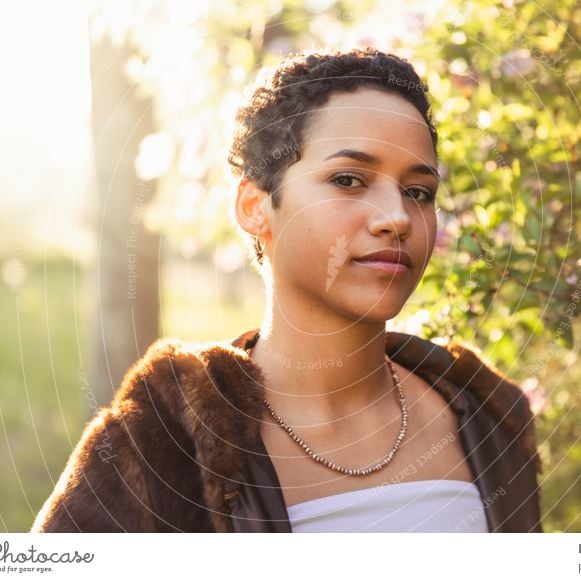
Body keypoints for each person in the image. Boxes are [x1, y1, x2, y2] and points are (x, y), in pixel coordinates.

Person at [31, 47, 543, 533]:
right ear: (255, 207)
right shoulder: (157, 445)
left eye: (418, 192)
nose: (397, 218)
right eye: (348, 180)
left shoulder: (487, 417)